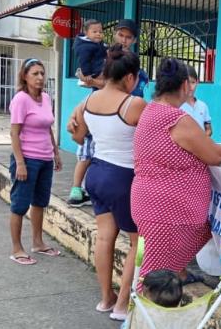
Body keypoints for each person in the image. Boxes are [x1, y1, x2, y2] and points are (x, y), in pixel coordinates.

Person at [131, 58, 221, 283]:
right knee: (156, 280)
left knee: (156, 272)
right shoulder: (176, 119)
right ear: (184, 85)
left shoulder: (151, 110)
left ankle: (143, 314)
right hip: (167, 212)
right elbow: (215, 155)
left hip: (154, 206)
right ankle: (144, 316)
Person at [70, 44, 147, 321]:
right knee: (137, 241)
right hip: (123, 177)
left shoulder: (87, 102)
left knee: (104, 238)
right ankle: (122, 304)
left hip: (96, 173)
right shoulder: (133, 103)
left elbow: (78, 138)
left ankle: (106, 298)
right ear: (129, 77)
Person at [67, 18, 149, 207]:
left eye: (129, 37)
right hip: (102, 123)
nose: (124, 40)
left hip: (123, 131)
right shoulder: (102, 58)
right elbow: (95, 93)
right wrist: (76, 113)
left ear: (134, 40)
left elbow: (122, 93)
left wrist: (93, 83)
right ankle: (77, 189)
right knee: (87, 151)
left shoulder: (137, 70)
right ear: (114, 35)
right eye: (121, 35)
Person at [8, 58, 63, 265]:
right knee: (19, 204)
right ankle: (16, 248)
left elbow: (48, 127)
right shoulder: (21, 99)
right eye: (35, 74)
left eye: (42, 73)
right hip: (27, 159)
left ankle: (38, 243)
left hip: (45, 158)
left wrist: (55, 153)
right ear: (25, 76)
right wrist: (20, 163)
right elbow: (14, 134)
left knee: (40, 202)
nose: (40, 78)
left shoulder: (46, 98)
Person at [180, 65, 212, 137]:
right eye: (187, 83)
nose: (190, 86)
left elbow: (209, 129)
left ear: (197, 82)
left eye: (193, 82)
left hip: (201, 146)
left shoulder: (203, 106)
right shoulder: (177, 106)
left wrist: (201, 139)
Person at [74, 19, 107, 89]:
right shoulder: (84, 47)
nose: (98, 34)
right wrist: (87, 74)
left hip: (98, 68)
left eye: (100, 32)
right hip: (94, 72)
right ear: (86, 33)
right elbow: (83, 61)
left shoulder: (96, 43)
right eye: (94, 32)